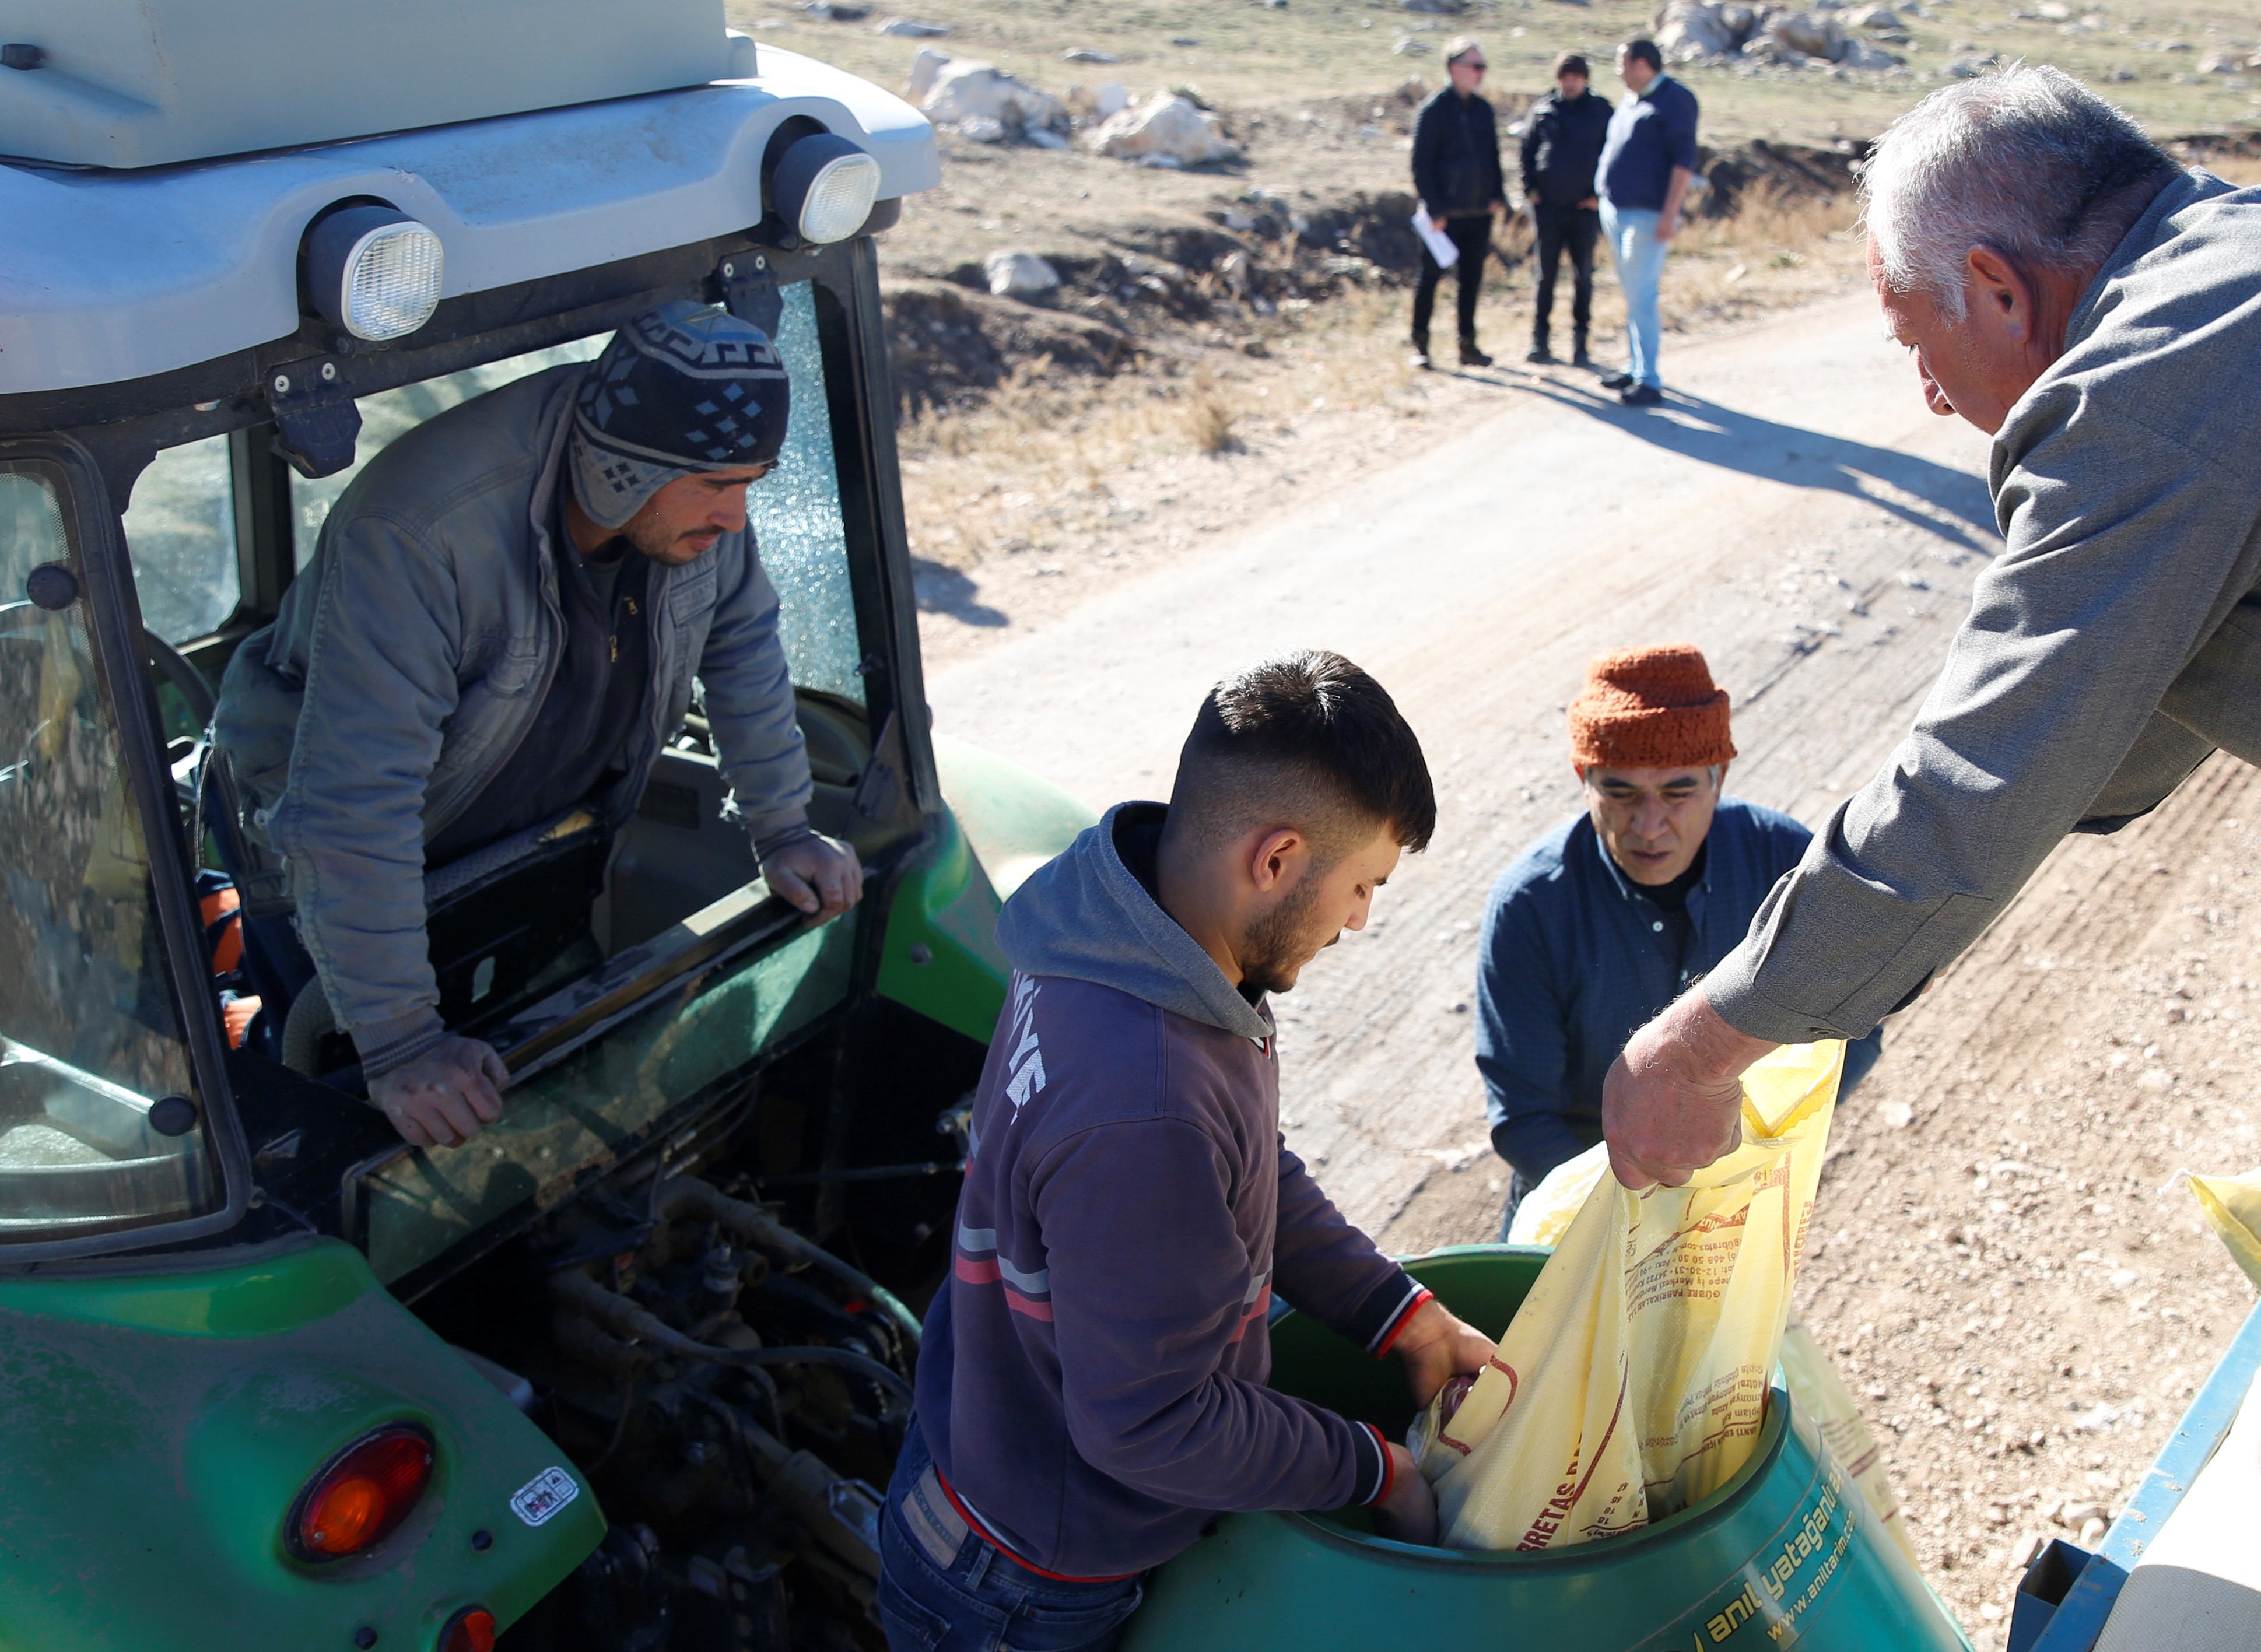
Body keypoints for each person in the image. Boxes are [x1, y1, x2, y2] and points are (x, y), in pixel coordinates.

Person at [1600, 66, 2261, 1192]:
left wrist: (1698, 1045)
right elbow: (2095, 738)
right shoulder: (2225, 263)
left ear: (1997, 288)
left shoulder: (2138, 390)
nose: (1928, 396)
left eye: (1915, 339)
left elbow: (1979, 783)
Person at [879, 651, 1495, 1651]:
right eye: (1359, 885)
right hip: (1022, 1587)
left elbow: (1242, 1165)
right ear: (1277, 859)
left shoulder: (1124, 932)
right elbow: (1152, 1424)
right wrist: (1376, 1467)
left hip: (988, 1438)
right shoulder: (1144, 1101)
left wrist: (1403, 1318)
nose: (1358, 920)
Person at [213, 301, 863, 1150]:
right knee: (341, 1115)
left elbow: (740, 642)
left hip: (523, 830)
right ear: (622, 473)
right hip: (335, 848)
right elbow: (352, 803)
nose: (737, 518)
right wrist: (402, 1040)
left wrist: (784, 828)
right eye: (715, 487)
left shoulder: (690, 491)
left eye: (750, 484)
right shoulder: (421, 535)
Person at [1475, 646, 1880, 1233]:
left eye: (1677, 792)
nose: (1648, 825)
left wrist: (1740, 1165)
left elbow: (1852, 1031)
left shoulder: (1786, 863)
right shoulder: (1530, 906)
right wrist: (1639, 1215)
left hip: (1733, 1207)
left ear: (1719, 779)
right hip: (1579, 1213)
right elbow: (1524, 1116)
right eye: (1619, 793)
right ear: (1582, 779)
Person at [1596, 38, 1699, 406]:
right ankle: (1636, 366)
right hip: (1616, 210)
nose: (1618, 72)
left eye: (1622, 64)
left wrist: (1670, 214)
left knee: (1642, 295)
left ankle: (1650, 380)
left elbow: (1684, 162)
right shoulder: (1631, 100)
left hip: (1648, 215)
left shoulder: (1675, 99)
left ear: (1642, 65)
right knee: (1631, 293)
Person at [1409, 38, 1506, 370]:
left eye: (1483, 67)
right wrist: (1435, 209)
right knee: (1429, 281)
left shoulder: (1483, 110)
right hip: (1444, 217)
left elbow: (1492, 157)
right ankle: (1420, 345)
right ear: (1455, 68)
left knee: (1471, 282)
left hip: (1478, 213)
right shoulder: (1433, 110)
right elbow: (1421, 165)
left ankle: (1468, 345)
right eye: (1475, 66)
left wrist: (1498, 195)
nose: (1481, 73)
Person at [1519, 52, 1613, 367]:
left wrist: (1600, 196)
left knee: (1583, 275)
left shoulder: (1601, 111)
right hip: (1548, 209)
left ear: (1585, 79)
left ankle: (1581, 344)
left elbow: (1614, 155)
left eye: (1575, 77)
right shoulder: (1544, 109)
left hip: (1585, 209)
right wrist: (1530, 191)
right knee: (1545, 277)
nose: (1570, 83)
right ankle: (1539, 340)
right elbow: (1527, 151)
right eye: (1565, 77)